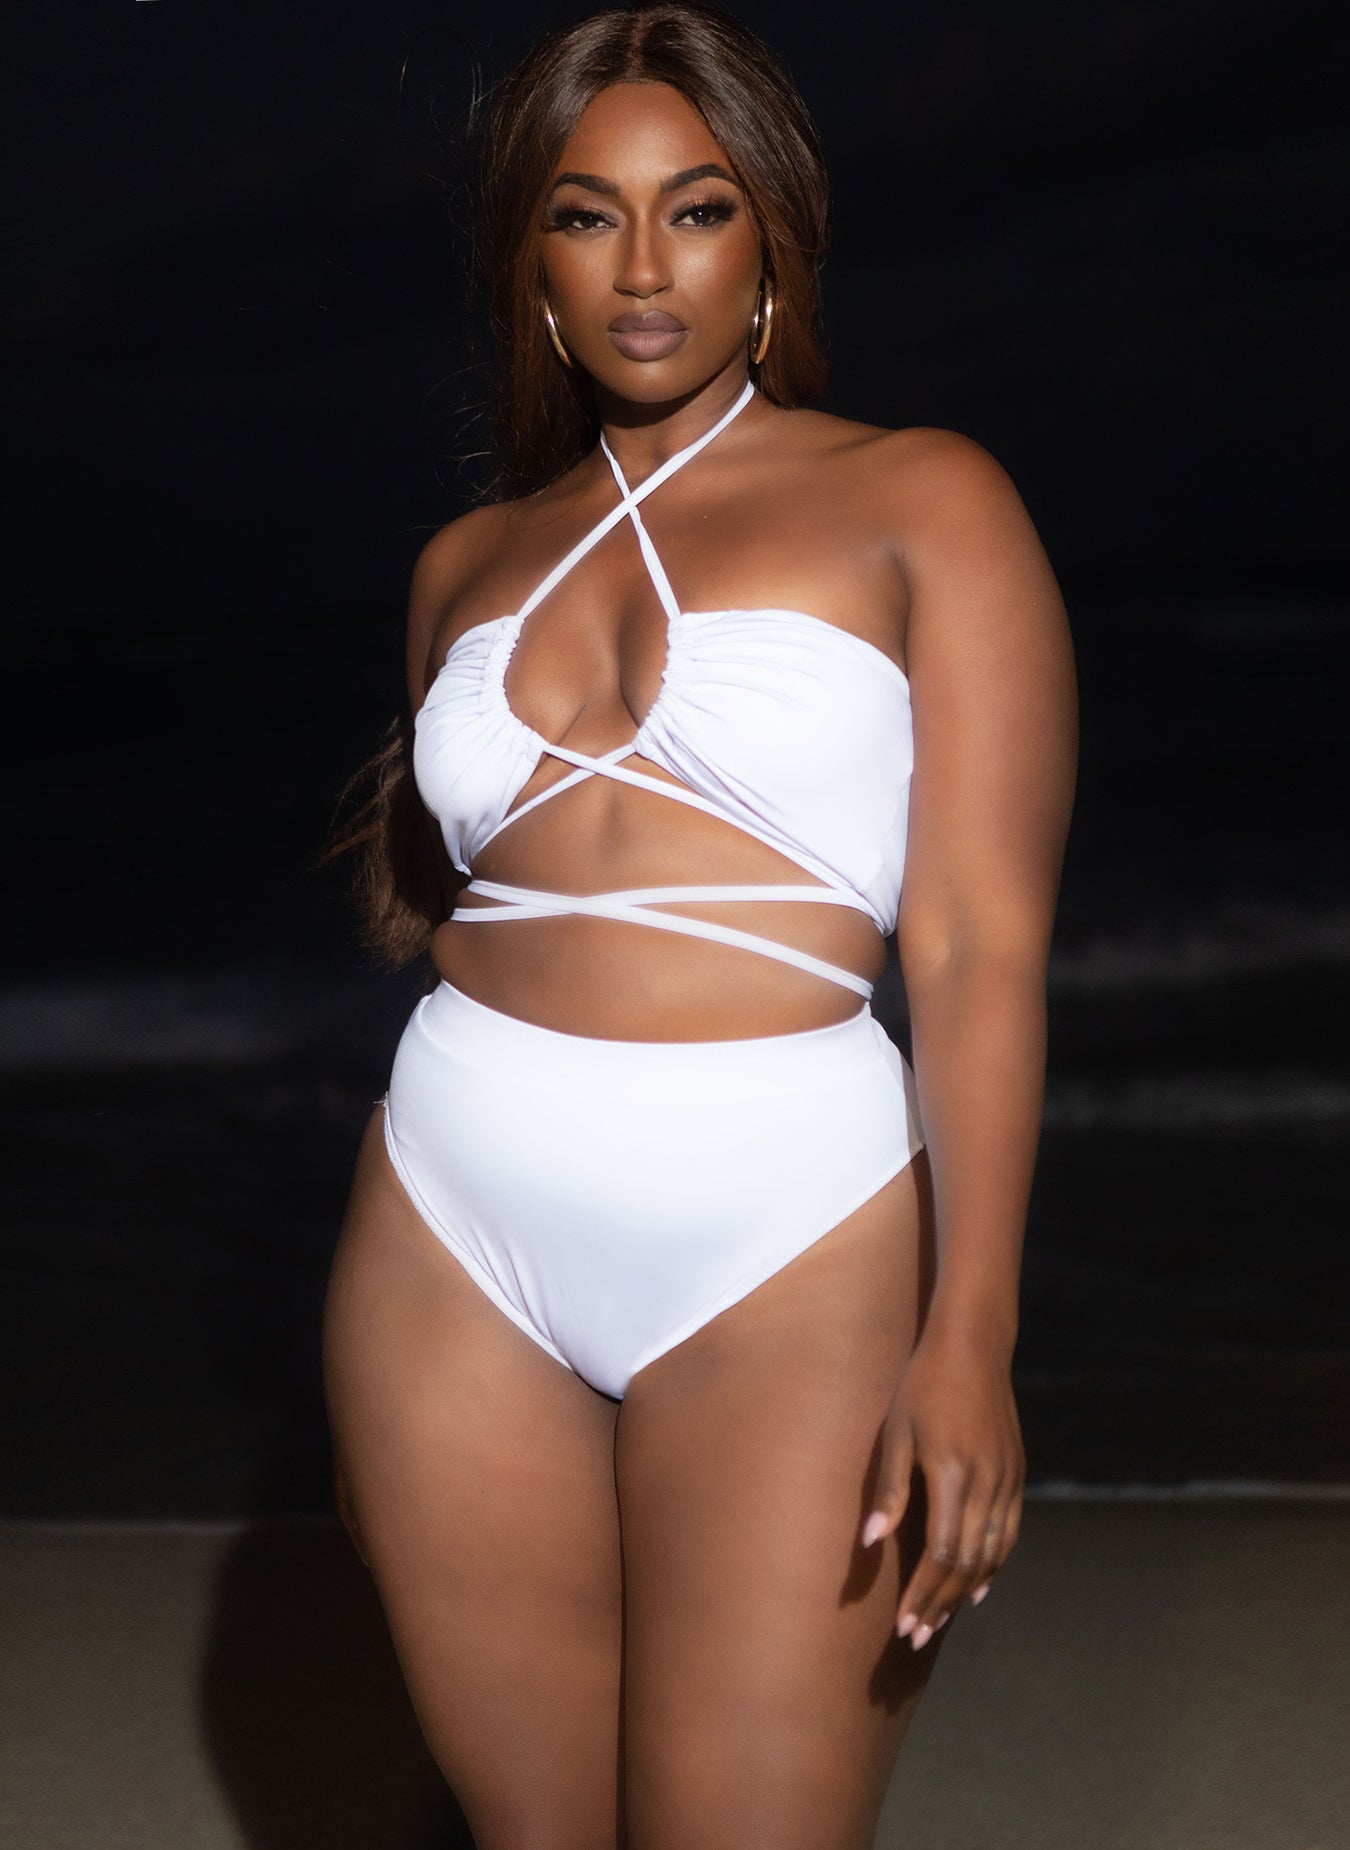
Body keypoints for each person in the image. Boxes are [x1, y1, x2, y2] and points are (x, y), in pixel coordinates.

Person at [322, 4, 1076, 1845]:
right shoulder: (463, 566)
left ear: (769, 246)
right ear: (532, 265)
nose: (643, 265)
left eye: (697, 208)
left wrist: (971, 1331)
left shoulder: (923, 499)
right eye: (586, 215)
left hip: (787, 1224)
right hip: (448, 1215)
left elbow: (976, 941)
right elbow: (463, 896)